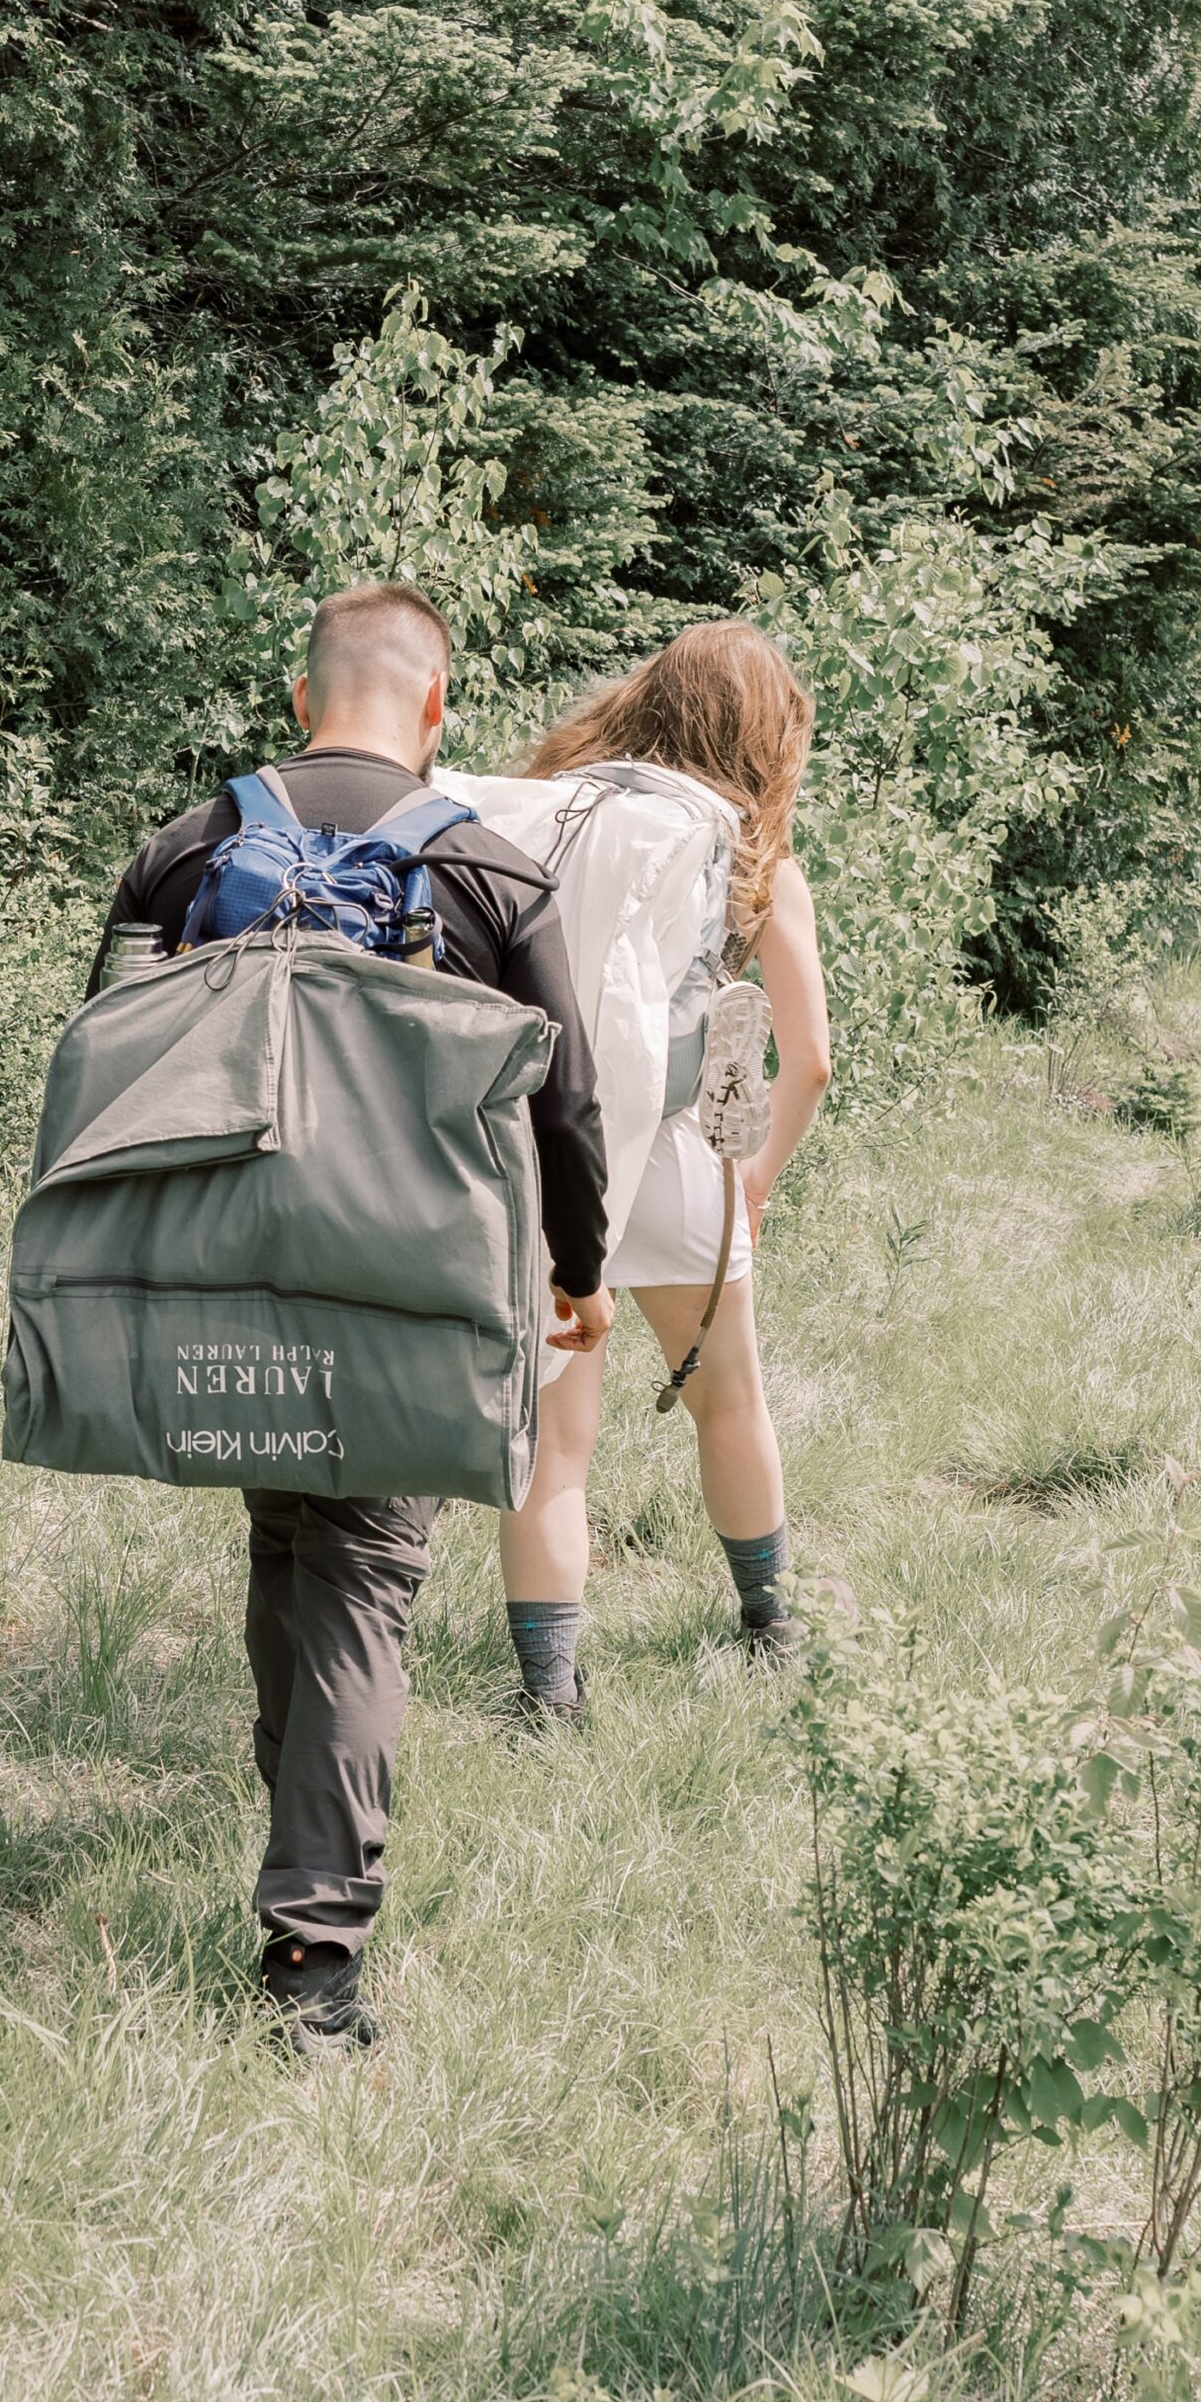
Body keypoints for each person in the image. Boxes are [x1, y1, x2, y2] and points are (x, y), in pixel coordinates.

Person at [89, 581, 614, 2050]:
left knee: (289, 1539)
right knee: (365, 1580)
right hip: (412, 1288)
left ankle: (301, 1839)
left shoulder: (191, 849)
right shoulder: (495, 877)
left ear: (300, 693)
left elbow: (102, 1054)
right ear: (438, 707)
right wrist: (579, 1271)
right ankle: (315, 1963)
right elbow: (566, 1105)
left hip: (231, 1266)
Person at [460, 621, 832, 1714]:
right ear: (765, 733)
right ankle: (770, 1623)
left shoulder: (561, 823)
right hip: (678, 1160)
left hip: (550, 1150)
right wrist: (752, 1177)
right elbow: (807, 1059)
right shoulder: (755, 867)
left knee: (553, 1440)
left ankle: (549, 1691)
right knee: (728, 1401)